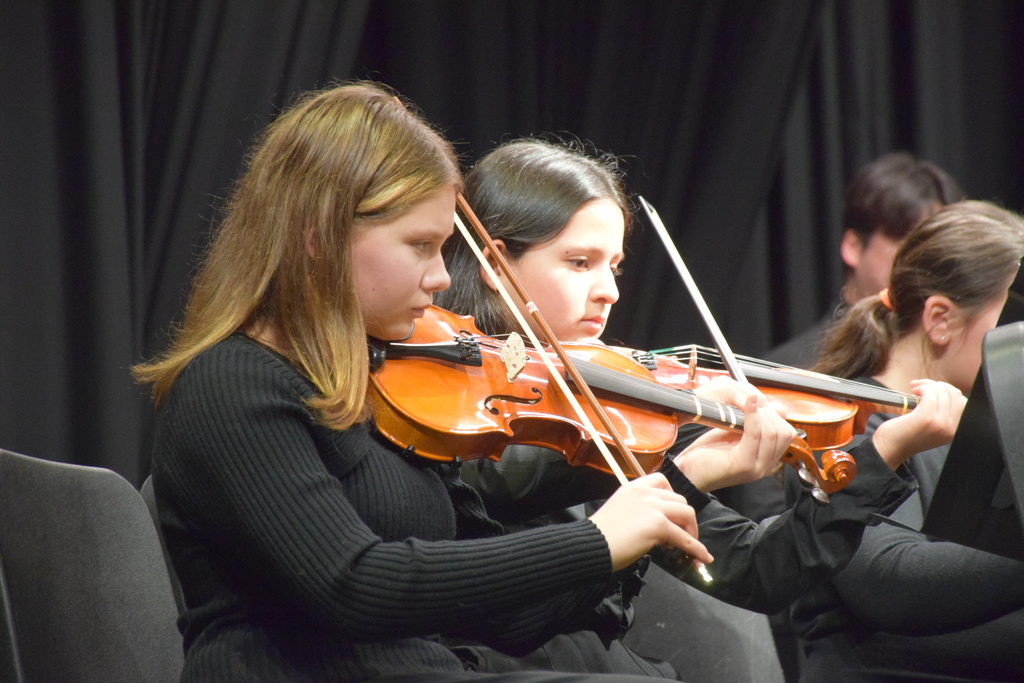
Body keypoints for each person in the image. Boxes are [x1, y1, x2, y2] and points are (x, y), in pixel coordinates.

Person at [133, 82, 726, 682]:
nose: (443, 277)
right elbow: (354, 585)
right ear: (317, 236)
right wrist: (595, 540)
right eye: (420, 246)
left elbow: (508, 621)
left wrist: (656, 506)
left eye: (444, 247)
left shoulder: (393, 393)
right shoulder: (231, 383)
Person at [435, 138, 966, 678]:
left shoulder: (614, 414)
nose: (608, 292)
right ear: (496, 264)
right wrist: (678, 422)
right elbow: (492, 481)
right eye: (579, 262)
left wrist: (882, 453)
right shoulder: (443, 396)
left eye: (613, 267)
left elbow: (758, 570)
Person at [788, 200, 1024, 682]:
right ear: (939, 318)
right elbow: (894, 584)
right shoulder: (845, 429)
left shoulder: (987, 425)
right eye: (1012, 320)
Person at [765, 151, 965, 371]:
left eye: (934, 249)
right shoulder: (790, 367)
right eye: (908, 243)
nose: (923, 263)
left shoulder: (955, 361)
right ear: (853, 246)